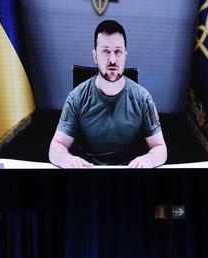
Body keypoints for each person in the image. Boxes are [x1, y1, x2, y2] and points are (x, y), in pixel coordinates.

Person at [49, 20, 167, 168]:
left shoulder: (143, 99)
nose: (112, 60)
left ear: (125, 55)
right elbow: (56, 147)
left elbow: (160, 148)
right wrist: (71, 162)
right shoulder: (76, 97)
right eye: (105, 51)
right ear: (95, 56)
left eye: (118, 51)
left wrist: (147, 161)